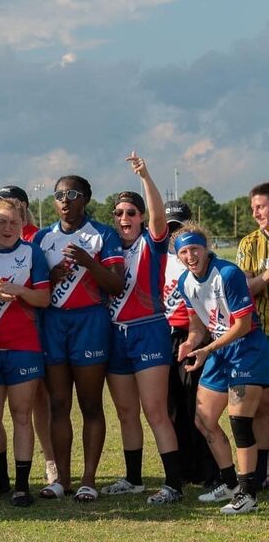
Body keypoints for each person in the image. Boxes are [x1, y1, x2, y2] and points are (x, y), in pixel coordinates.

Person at [32, 175, 124, 502]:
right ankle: (62, 480)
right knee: (58, 404)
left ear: (85, 197)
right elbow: (34, 288)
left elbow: (116, 285)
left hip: (90, 322)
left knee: (90, 404)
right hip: (54, 324)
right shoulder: (42, 238)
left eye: (72, 194)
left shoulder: (103, 234)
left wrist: (87, 263)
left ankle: (88, 479)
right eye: (59, 195)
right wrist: (52, 277)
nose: (65, 200)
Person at [100, 153, 183, 504]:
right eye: (118, 213)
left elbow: (159, 214)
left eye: (130, 213)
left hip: (148, 330)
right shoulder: (109, 247)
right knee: (125, 412)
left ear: (141, 217)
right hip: (115, 334)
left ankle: (174, 484)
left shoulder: (153, 242)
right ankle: (133, 478)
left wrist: (145, 176)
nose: (123, 218)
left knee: (154, 410)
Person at [175, 224, 269, 514]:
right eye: (183, 251)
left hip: (246, 348)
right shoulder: (184, 281)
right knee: (203, 421)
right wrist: (191, 343)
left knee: (240, 422)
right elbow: (198, 322)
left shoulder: (227, 274)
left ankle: (249, 494)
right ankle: (229, 483)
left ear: (206, 248)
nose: (190, 256)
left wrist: (208, 349)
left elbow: (241, 325)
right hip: (217, 348)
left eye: (194, 249)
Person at [0, 198, 51, 507]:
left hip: (24, 347)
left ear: (22, 224)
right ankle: (0, 478)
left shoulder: (33, 253)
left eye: (13, 223)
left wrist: (20, 292)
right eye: (1, 222)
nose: (7, 228)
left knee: (21, 415)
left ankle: (21, 484)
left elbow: (43, 299)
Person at [162, 201, 220, 492]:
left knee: (197, 404)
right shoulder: (164, 256)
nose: (176, 233)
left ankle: (209, 470)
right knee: (173, 405)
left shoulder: (201, 259)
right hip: (168, 336)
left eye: (180, 226)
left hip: (196, 335)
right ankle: (185, 469)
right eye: (171, 228)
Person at [235, 181, 269, 491]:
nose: (255, 212)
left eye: (261, 206)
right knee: (262, 406)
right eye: (253, 208)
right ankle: (260, 473)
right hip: (262, 336)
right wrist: (266, 276)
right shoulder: (249, 244)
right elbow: (246, 289)